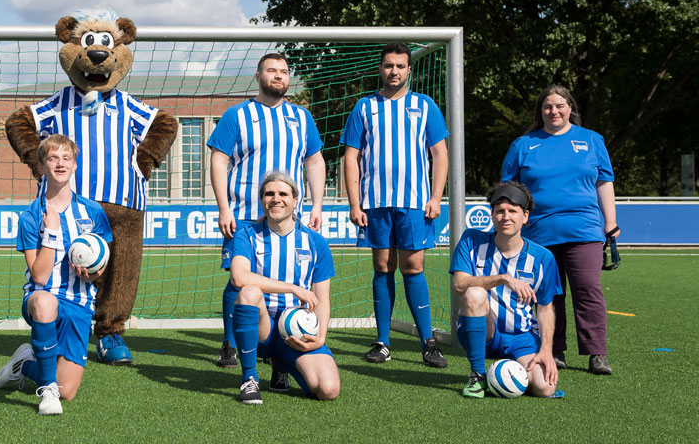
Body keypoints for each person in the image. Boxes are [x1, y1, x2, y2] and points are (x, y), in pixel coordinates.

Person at [208, 52, 326, 368]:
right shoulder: (237, 115)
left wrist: (316, 203)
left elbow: (314, 160)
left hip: (287, 216)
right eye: (271, 70)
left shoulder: (302, 118)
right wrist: (223, 208)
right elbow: (219, 159)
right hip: (244, 214)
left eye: (284, 71)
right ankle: (230, 345)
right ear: (258, 76)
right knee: (239, 281)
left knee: (283, 277)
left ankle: (274, 340)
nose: (278, 76)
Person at [343, 42, 449, 367]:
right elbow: (351, 157)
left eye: (400, 66)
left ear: (408, 70)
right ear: (381, 68)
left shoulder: (425, 105)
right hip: (375, 203)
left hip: (415, 202)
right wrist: (355, 203)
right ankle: (382, 341)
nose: (394, 71)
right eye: (389, 65)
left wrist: (435, 196)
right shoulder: (364, 107)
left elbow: (440, 154)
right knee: (382, 268)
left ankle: (428, 343)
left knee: (413, 268)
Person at [501, 85, 618, 375]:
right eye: (547, 107)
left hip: (585, 230)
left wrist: (611, 224)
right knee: (548, 295)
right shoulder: (523, 145)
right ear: (540, 112)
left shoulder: (591, 140)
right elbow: (510, 190)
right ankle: (553, 349)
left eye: (560, 106)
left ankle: (596, 354)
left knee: (588, 289)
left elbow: (604, 183)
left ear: (571, 108)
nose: (554, 111)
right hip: (539, 232)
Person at [0, 134, 113, 415]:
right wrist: (52, 231)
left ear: (74, 165)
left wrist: (92, 274)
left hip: (80, 303)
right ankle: (46, 392)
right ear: (42, 166)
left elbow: (101, 266)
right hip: (42, 298)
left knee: (67, 391)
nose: (60, 164)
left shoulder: (92, 211)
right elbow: (40, 276)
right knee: (45, 301)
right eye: (52, 158)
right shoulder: (31, 216)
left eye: (66, 158)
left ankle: (24, 364)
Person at [228, 171, 339, 404]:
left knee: (328, 390)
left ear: (295, 200)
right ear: (262, 200)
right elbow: (238, 277)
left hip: (296, 330)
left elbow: (322, 298)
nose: (276, 199)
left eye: (283, 193)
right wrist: (291, 288)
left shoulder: (315, 242)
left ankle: (282, 364)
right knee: (248, 292)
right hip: (262, 329)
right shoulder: (247, 234)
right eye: (269, 194)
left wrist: (320, 337)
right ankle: (249, 378)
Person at [452, 181, 560, 398]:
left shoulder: (542, 258)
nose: (506, 217)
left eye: (513, 211)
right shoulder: (471, 241)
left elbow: (546, 308)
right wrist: (502, 278)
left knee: (545, 388)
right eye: (500, 211)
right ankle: (477, 376)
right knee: (474, 292)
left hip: (521, 336)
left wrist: (547, 350)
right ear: (492, 215)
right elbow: (459, 284)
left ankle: (509, 371)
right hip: (484, 331)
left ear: (525, 216)